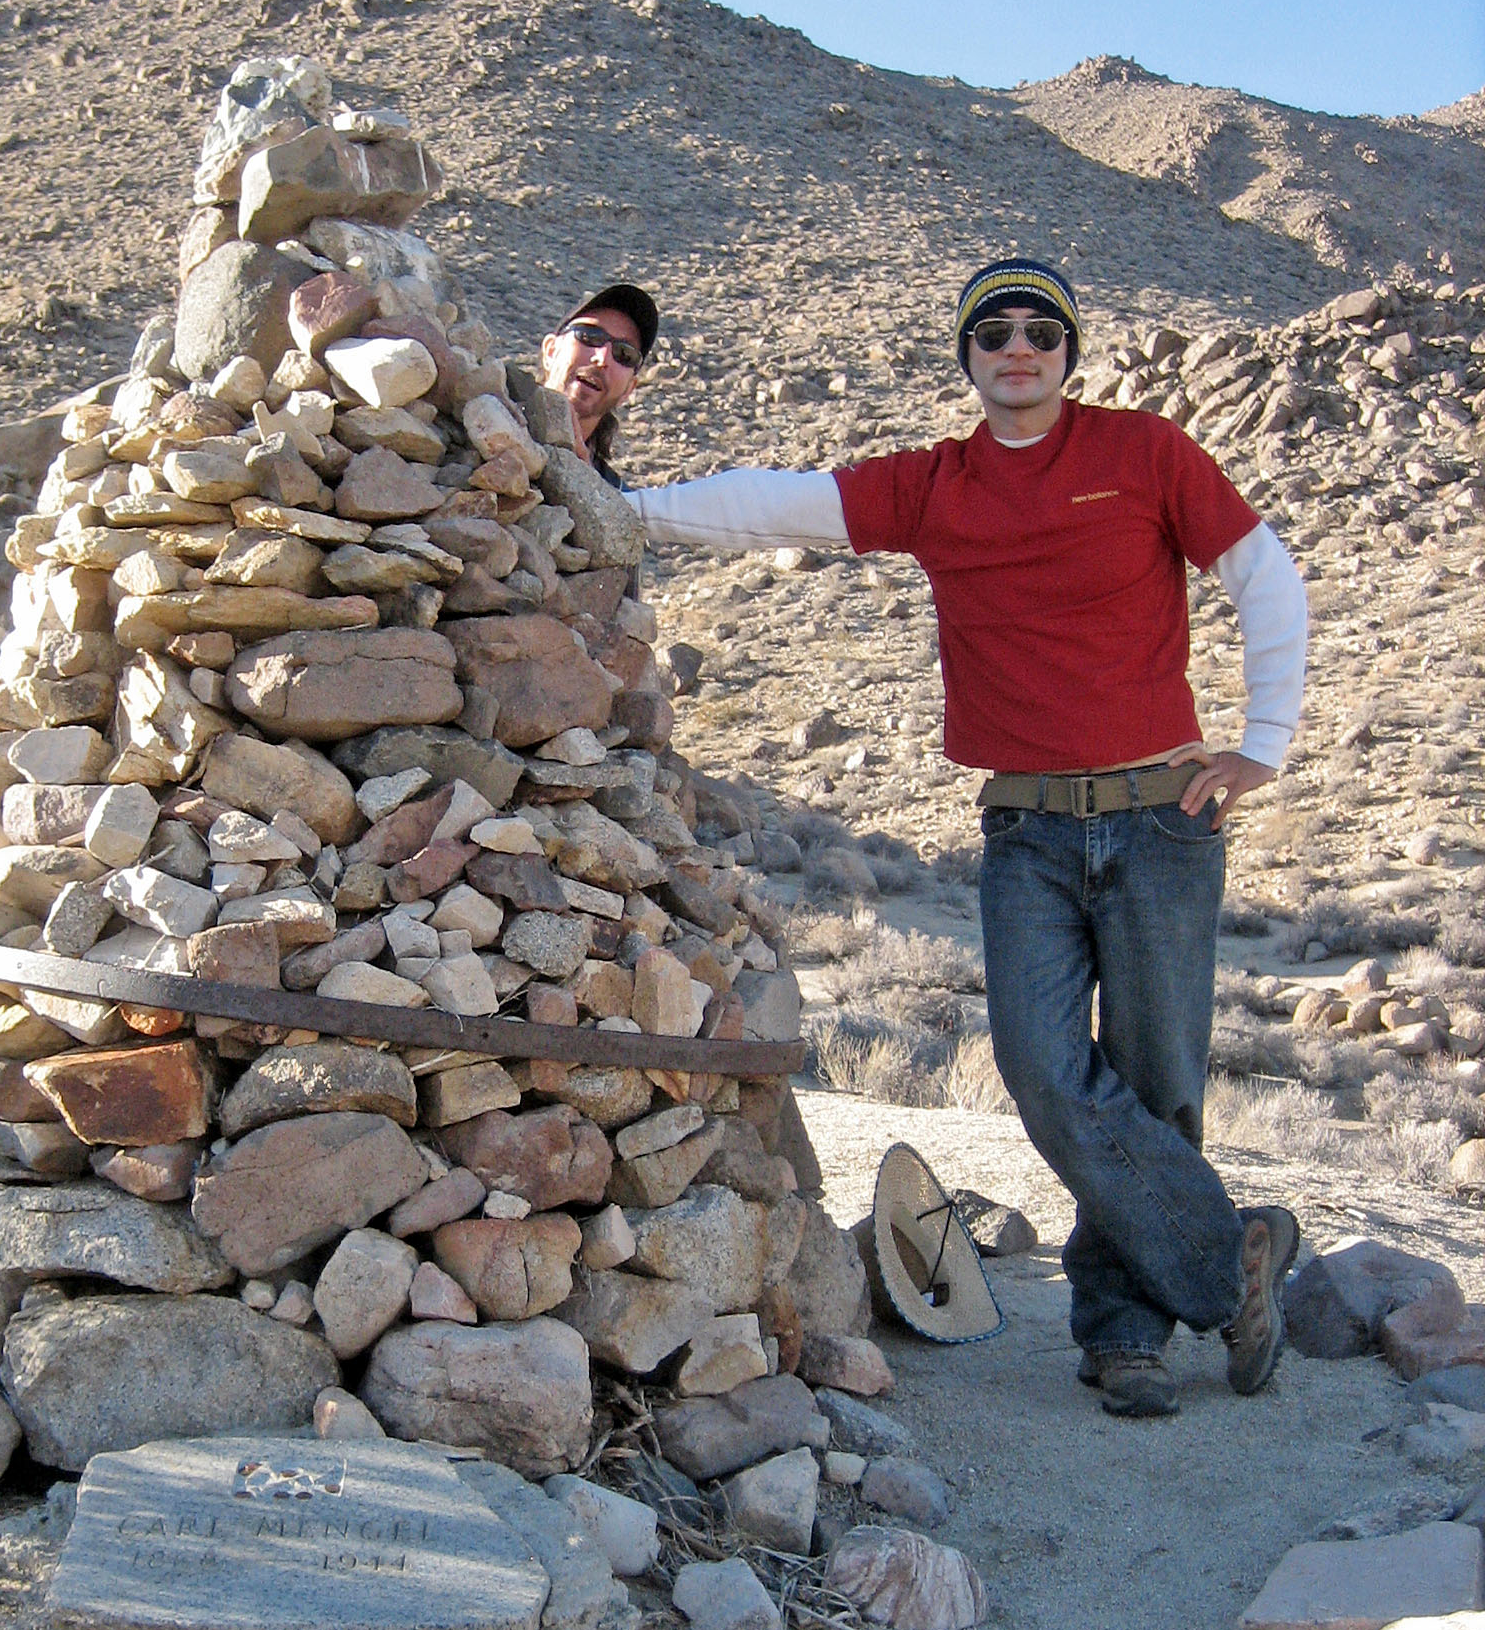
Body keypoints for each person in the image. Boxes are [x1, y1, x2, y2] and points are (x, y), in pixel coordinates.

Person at [628, 257, 1310, 1419]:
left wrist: (1265, 741)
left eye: (1041, 327)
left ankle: (1123, 1336)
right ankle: (1235, 1250)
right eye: (992, 329)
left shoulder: (1145, 453)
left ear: (1068, 348)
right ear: (967, 354)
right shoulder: (936, 485)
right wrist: (627, 509)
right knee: (1048, 1077)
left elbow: (1264, 573)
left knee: (1154, 1083)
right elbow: (777, 501)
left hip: (1162, 817)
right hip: (1028, 828)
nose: (1017, 344)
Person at [538, 283, 659, 485]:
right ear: (551, 351)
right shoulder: (480, 419)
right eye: (590, 336)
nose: (602, 358)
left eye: (624, 354)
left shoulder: (617, 501)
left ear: (628, 390)